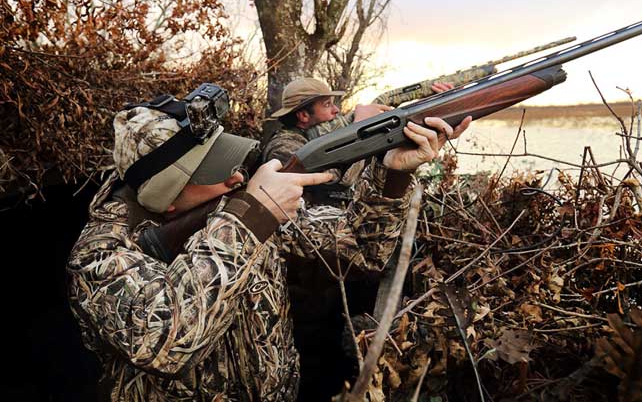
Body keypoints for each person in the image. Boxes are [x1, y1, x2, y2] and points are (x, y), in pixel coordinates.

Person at [67, 87, 471, 401]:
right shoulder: (99, 257)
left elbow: (361, 250)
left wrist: (393, 175)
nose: (237, 178)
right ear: (164, 197)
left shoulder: (230, 205)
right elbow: (164, 343)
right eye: (214, 171)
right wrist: (249, 219)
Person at [262, 77, 454, 206]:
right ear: (303, 115)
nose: (336, 110)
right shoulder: (284, 146)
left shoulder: (328, 132)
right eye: (327, 105)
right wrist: (360, 127)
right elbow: (334, 179)